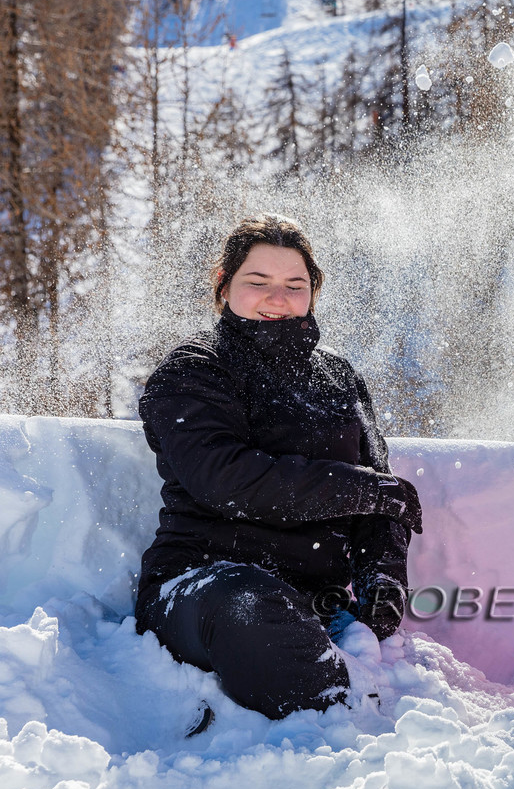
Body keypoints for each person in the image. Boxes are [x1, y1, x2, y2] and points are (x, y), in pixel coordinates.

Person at [136, 214, 423, 722]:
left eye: (295, 285)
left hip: (313, 600)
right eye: (258, 281)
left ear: (314, 292)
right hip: (201, 584)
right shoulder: (194, 368)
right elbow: (224, 478)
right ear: (224, 284)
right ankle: (349, 716)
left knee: (281, 615)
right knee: (248, 606)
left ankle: (347, 693)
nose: (278, 298)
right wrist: (364, 490)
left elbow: (379, 496)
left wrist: (382, 578)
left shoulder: (339, 376)